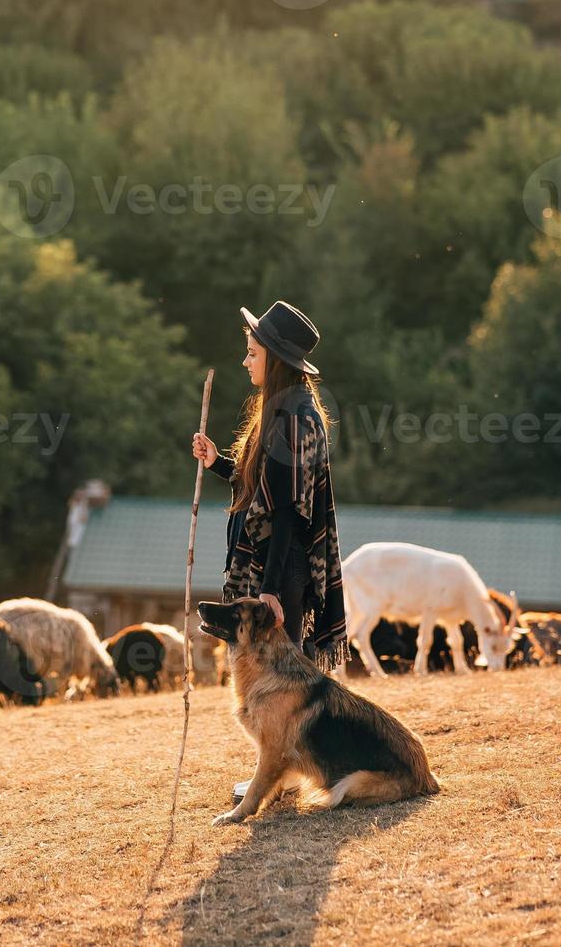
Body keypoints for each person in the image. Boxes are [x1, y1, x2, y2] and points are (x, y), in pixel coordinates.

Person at [192, 300, 350, 805]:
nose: (245, 361)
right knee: (275, 673)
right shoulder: (281, 411)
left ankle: (283, 775)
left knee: (286, 677)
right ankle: (280, 772)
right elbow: (262, 485)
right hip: (275, 565)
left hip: (283, 567)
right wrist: (220, 463)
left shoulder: (298, 419)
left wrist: (270, 591)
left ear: (275, 359)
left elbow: (288, 514)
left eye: (252, 352)